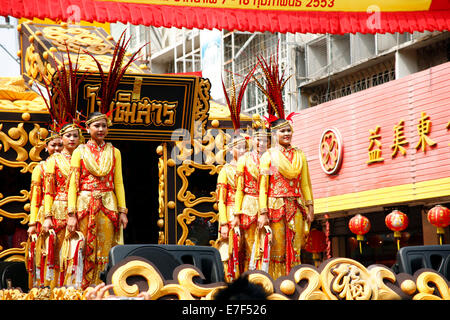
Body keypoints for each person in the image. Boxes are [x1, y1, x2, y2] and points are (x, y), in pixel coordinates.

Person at [255, 54, 314, 279]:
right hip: (275, 207)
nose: (287, 134)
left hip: (296, 205)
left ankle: (296, 280)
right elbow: (263, 186)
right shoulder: (268, 157)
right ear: (274, 134)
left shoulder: (300, 155)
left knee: (296, 247)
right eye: (282, 131)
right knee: (277, 250)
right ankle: (278, 283)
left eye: (289, 130)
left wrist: (310, 206)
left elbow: (305, 183)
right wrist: (262, 212)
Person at [67, 111, 128, 289]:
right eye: (97, 126)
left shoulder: (114, 152)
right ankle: (82, 289)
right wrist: (71, 213)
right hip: (85, 204)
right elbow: (73, 184)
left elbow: (119, 182)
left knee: (106, 249)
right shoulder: (80, 152)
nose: (101, 129)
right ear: (87, 128)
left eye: (104, 126)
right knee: (84, 248)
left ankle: (104, 287)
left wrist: (122, 210)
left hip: (108, 204)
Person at [42, 123, 82, 288]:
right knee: (59, 251)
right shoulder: (54, 160)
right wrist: (47, 217)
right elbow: (48, 192)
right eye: (68, 136)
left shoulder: (84, 156)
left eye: (75, 136)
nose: (72, 139)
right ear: (62, 138)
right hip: (60, 208)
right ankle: (56, 290)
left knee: (78, 250)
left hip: (81, 207)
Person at [233, 116, 271, 273]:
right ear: (252, 139)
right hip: (249, 206)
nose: (260, 143)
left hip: (270, 206)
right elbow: (239, 189)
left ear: (269, 142)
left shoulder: (272, 159)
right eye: (257, 139)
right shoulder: (244, 160)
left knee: (268, 246)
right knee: (250, 249)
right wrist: (236, 214)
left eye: (264, 140)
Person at [26, 133, 63, 288]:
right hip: (45, 216)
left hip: (64, 212)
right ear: (46, 147)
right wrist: (33, 222)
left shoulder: (70, 165)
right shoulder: (40, 168)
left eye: (59, 145)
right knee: (47, 253)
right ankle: (46, 288)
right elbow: (35, 198)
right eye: (52, 145)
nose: (56, 149)